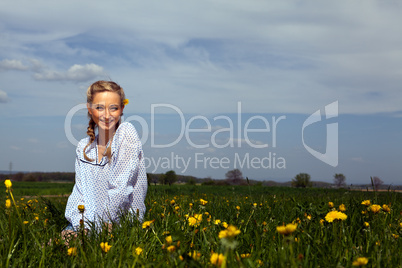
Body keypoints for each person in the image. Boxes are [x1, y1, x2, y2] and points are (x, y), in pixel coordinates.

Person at [62, 80, 147, 240]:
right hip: (85, 225)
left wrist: (99, 229)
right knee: (53, 249)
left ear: (122, 109)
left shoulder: (126, 134)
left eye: (113, 108)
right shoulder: (83, 147)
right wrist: (81, 225)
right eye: (99, 107)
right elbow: (79, 194)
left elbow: (120, 191)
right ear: (89, 108)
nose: (106, 115)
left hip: (118, 226)